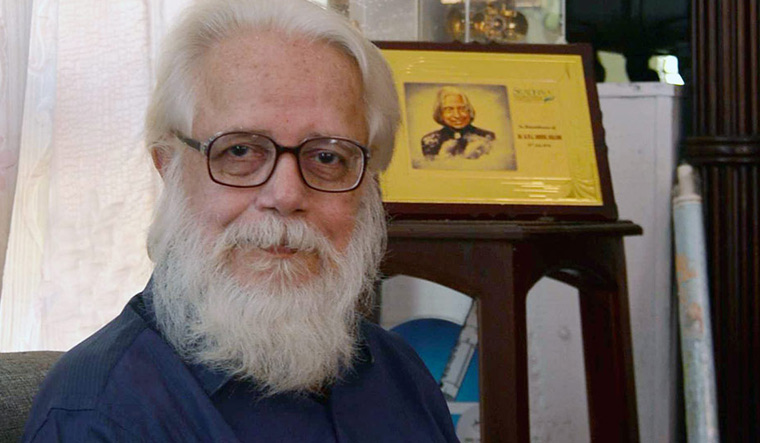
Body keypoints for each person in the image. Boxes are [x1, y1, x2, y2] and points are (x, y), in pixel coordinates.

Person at [22, 0, 458, 441]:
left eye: (328, 157)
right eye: (240, 151)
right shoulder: (99, 417)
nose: (286, 196)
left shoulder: (401, 375)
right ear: (168, 167)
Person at [421, 86, 495, 160]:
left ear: (469, 111)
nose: (457, 115)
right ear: (440, 113)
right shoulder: (430, 141)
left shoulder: (487, 137)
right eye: (449, 109)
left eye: (462, 108)